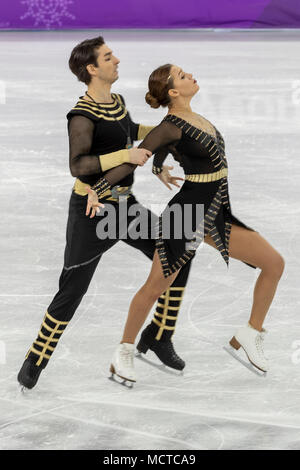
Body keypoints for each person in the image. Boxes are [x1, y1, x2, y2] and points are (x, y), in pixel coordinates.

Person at [86, 63, 285, 382]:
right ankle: (123, 350)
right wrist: (98, 189)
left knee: (274, 263)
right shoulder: (169, 125)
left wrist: (160, 169)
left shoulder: (198, 118)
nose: (190, 75)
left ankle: (250, 333)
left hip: (217, 212)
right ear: (174, 92)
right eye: (182, 76)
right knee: (155, 287)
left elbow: (163, 155)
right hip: (186, 214)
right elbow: (138, 157)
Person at [17, 39, 194, 390]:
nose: (117, 60)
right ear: (92, 69)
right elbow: (78, 165)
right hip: (91, 213)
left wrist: (170, 132)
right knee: (72, 291)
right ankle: (36, 358)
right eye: (109, 57)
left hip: (124, 207)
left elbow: (128, 133)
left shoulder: (117, 102)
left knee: (179, 251)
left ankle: (158, 335)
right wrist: (125, 157)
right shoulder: (82, 115)